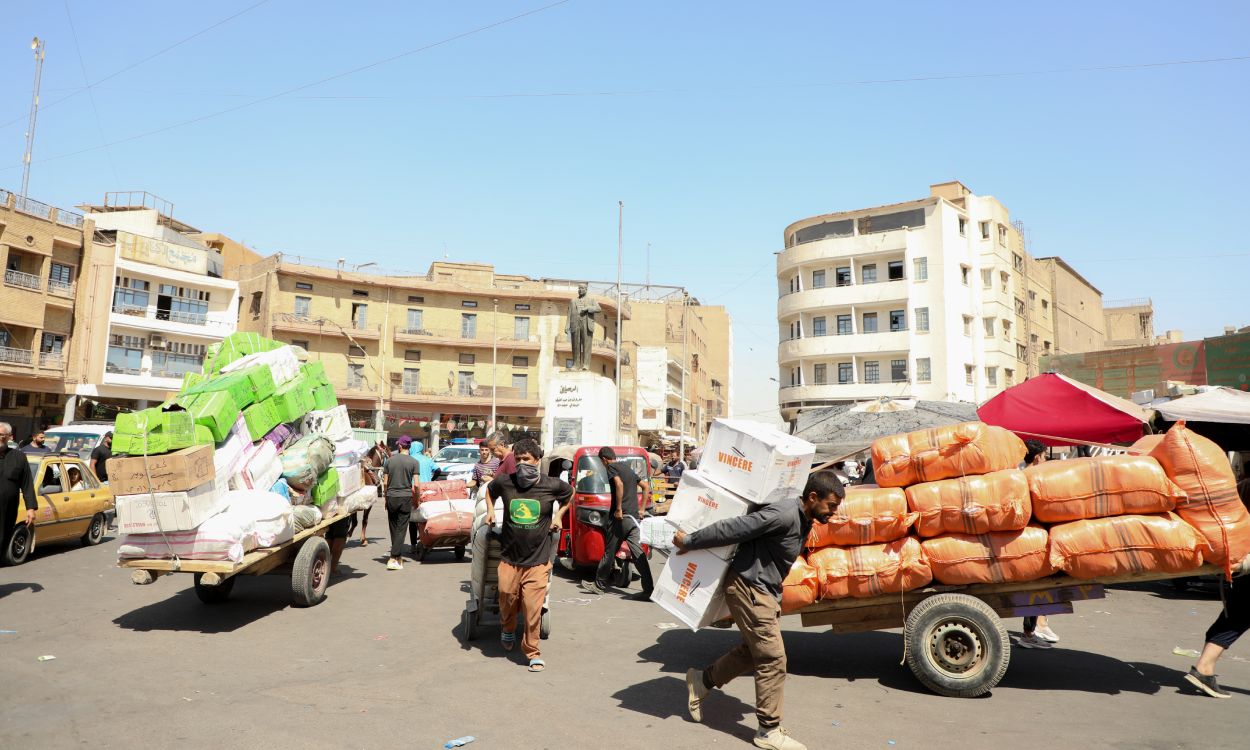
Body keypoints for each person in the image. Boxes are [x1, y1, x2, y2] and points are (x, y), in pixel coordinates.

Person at [675, 471, 844, 750]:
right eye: (831, 506)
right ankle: (768, 730)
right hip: (749, 588)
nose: (834, 513)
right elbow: (735, 527)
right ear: (813, 497)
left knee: (752, 652)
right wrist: (690, 541)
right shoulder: (784, 514)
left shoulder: (804, 519)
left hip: (765, 592)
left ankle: (701, 681)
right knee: (773, 659)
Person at [485, 438, 571, 672]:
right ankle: (508, 628)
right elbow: (489, 492)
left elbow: (569, 495)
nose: (523, 464)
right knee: (506, 596)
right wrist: (491, 511)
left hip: (538, 559)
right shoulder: (505, 482)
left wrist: (559, 515)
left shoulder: (552, 485)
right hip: (509, 556)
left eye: (527, 459)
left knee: (533, 608)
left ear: (537, 460)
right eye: (519, 459)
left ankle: (532, 651)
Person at [594, 447, 654, 600]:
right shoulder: (627, 469)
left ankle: (599, 584)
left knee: (609, 552)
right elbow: (646, 487)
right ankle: (649, 589)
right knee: (638, 553)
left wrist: (619, 509)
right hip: (633, 518)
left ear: (604, 459)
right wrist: (641, 509)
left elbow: (619, 485)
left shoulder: (611, 467)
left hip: (620, 518)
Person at [1018, 439, 1060, 649]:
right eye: (1044, 456)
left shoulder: (1019, 476)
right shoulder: (1032, 477)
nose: (1045, 459)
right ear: (1037, 457)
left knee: (1034, 588)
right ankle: (1029, 632)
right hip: (1032, 539)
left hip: (1027, 538)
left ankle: (1035, 627)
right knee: (1035, 587)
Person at [381, 435, 420, 570]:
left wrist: (386, 498)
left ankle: (395, 556)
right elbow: (416, 485)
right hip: (406, 497)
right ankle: (394, 556)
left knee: (393, 525)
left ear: (399, 445)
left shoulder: (389, 461)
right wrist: (417, 499)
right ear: (409, 447)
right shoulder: (414, 462)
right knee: (402, 527)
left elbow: (385, 483)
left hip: (391, 495)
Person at [0, 422, 38, 559]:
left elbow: (27, 483)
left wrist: (30, 508)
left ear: (9, 437)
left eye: (2, 435)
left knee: (3, 542)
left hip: (7, 511)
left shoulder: (19, 457)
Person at [567, 283, 601, 371]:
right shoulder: (573, 301)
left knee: (586, 345)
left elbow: (598, 309)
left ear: (586, 290)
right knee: (575, 345)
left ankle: (586, 365)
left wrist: (588, 308)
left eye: (582, 288)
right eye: (579, 288)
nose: (580, 290)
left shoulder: (591, 300)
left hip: (586, 324)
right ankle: (576, 365)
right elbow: (569, 313)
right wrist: (567, 325)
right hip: (575, 324)